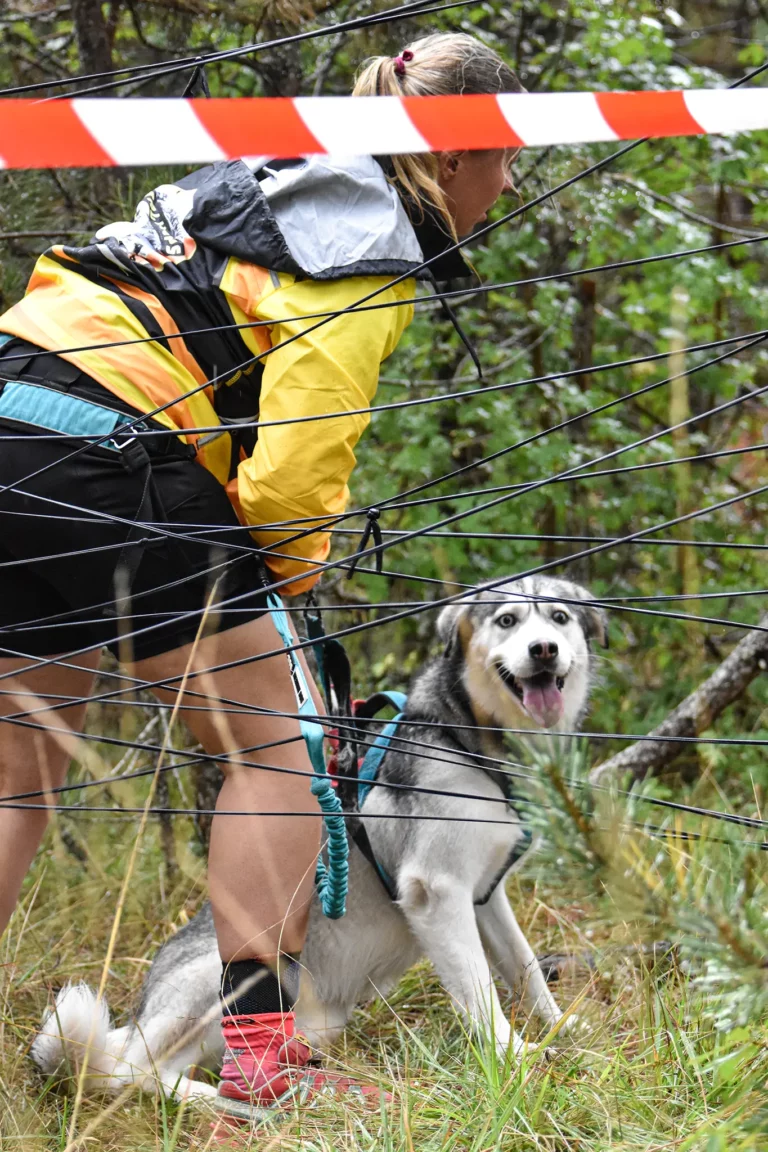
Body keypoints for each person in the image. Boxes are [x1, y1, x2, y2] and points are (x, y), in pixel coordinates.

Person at [0, 32, 522, 1107]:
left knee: (15, 779)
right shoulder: (366, 244)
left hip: (12, 413)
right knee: (280, 747)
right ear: (457, 148)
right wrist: (283, 594)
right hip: (116, 445)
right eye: (507, 152)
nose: (510, 178)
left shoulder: (268, 173)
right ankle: (263, 1059)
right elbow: (288, 487)